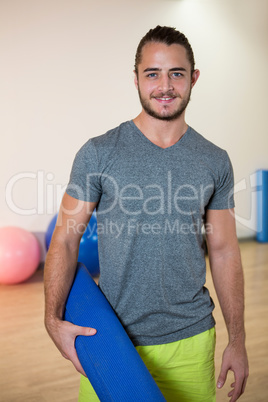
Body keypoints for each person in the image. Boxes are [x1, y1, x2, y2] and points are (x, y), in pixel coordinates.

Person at [44, 25, 249, 402]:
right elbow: (66, 238)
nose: (165, 85)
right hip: (110, 340)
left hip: (192, 339)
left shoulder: (215, 160)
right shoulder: (98, 152)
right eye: (152, 73)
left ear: (194, 78)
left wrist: (238, 338)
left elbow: (223, 251)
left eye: (177, 73)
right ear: (136, 78)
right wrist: (52, 321)